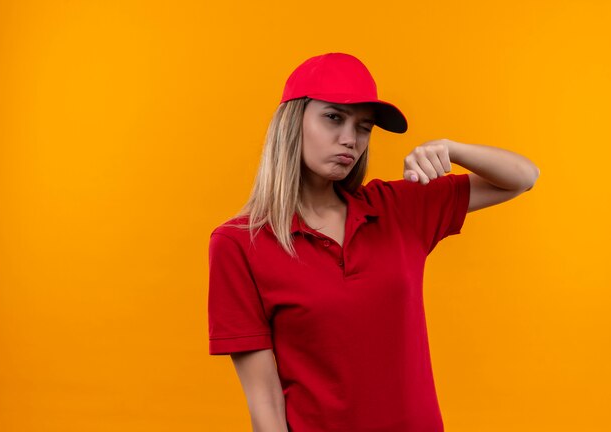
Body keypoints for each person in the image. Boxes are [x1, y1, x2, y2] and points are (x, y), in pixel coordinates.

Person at [207, 52, 539, 432]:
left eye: (363, 127)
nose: (349, 139)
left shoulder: (398, 208)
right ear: (292, 122)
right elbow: (263, 399)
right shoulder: (238, 243)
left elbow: (522, 177)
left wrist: (450, 149)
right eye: (333, 117)